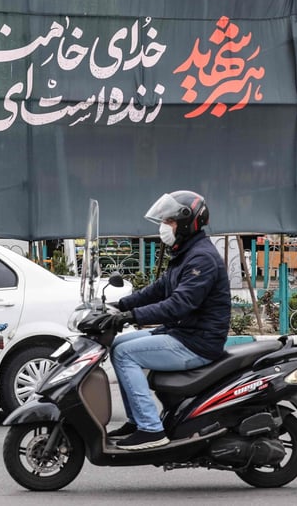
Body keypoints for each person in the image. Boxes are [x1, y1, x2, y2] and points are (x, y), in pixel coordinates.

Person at [98, 190, 231, 450]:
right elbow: (160, 288)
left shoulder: (201, 258)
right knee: (118, 345)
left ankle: (151, 429)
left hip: (197, 342)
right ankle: (137, 422)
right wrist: (120, 305)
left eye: (169, 222)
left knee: (126, 354)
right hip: (182, 333)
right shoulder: (186, 252)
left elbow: (178, 305)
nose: (164, 227)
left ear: (186, 223)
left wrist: (131, 316)